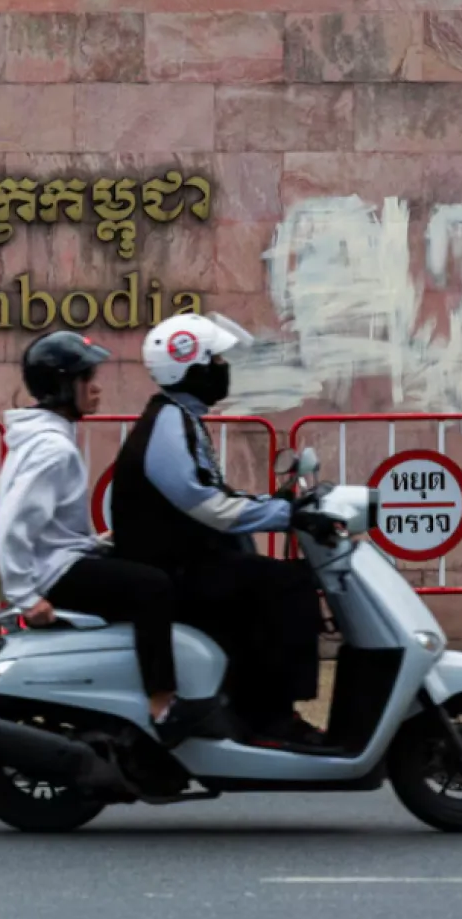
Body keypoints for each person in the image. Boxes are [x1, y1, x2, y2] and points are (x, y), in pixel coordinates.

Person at [108, 313, 337, 750]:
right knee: (288, 585)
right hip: (175, 570)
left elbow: (211, 494)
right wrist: (285, 515)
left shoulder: (179, 419)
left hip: (184, 562)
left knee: (262, 580)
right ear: (189, 368)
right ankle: (273, 718)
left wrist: (281, 505)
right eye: (213, 359)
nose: (222, 368)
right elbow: (207, 505)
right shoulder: (170, 426)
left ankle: (251, 707)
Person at [0, 330, 218, 746]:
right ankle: (162, 703)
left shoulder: (49, 436)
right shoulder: (52, 449)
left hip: (57, 561)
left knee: (144, 569)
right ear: (62, 386)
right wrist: (26, 596)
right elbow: (12, 523)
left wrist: (97, 542)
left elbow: (49, 527)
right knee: (153, 587)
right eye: (85, 379)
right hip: (51, 575)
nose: (95, 388)